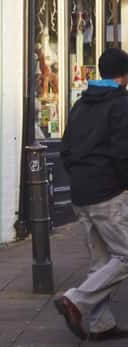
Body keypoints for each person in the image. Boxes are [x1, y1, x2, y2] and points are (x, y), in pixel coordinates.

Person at [54, 47, 128, 341]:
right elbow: (123, 152)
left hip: (80, 193)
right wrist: (122, 183)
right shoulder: (121, 104)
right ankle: (75, 300)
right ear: (123, 76)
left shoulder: (80, 103)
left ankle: (101, 325)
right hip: (107, 192)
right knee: (125, 256)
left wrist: (81, 176)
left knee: (100, 261)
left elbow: (66, 149)